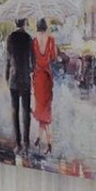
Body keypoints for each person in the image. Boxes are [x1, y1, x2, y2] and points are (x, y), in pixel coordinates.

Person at [5, 17, 34, 155]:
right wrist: (30, 70)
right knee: (26, 111)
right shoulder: (29, 38)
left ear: (15, 23)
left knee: (15, 111)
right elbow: (33, 61)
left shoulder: (10, 38)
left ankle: (18, 144)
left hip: (14, 78)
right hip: (25, 79)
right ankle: (26, 144)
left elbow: (8, 59)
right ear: (25, 23)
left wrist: (7, 76)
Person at [31, 18, 57, 153]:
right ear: (46, 27)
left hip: (38, 77)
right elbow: (53, 57)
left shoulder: (34, 40)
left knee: (40, 108)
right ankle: (48, 141)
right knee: (45, 110)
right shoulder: (51, 39)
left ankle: (39, 137)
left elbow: (32, 59)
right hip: (47, 77)